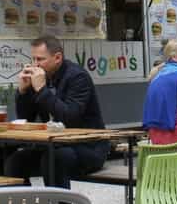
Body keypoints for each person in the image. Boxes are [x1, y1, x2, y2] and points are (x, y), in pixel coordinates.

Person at [8, 34, 110, 185]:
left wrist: (42, 90)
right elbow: (26, 118)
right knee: (15, 161)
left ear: (57, 58)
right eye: (33, 59)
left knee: (53, 159)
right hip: (54, 145)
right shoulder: (42, 77)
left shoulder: (78, 77)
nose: (35, 65)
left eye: (40, 59)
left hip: (87, 147)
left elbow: (69, 117)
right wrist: (23, 92)